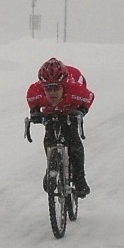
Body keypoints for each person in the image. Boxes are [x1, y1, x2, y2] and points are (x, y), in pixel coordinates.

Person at [26, 57, 94, 198]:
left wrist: (81, 111)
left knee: (73, 139)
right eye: (48, 89)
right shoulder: (34, 91)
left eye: (56, 88)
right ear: (42, 87)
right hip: (51, 112)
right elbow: (33, 105)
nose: (52, 93)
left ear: (64, 85)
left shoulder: (76, 90)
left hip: (70, 107)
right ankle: (52, 166)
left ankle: (80, 179)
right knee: (49, 136)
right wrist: (35, 113)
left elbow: (89, 98)